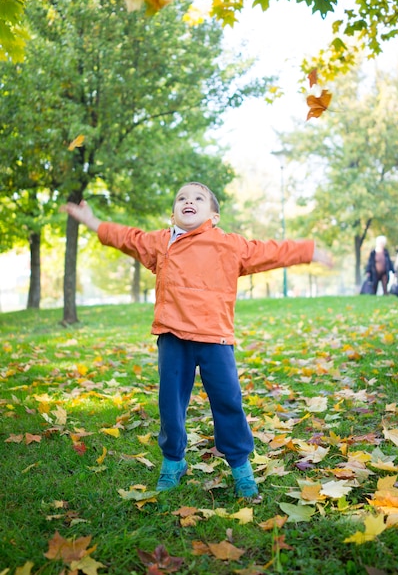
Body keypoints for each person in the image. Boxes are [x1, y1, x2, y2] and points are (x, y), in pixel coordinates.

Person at [61, 181, 332, 500]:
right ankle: (173, 461)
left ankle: (240, 465)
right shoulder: (161, 242)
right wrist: (93, 222)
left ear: (213, 215)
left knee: (228, 402)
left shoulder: (229, 245)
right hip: (173, 338)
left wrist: (309, 250)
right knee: (170, 404)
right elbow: (128, 238)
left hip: (215, 339)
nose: (188, 201)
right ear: (173, 214)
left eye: (198, 198)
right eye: (181, 198)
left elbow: (270, 252)